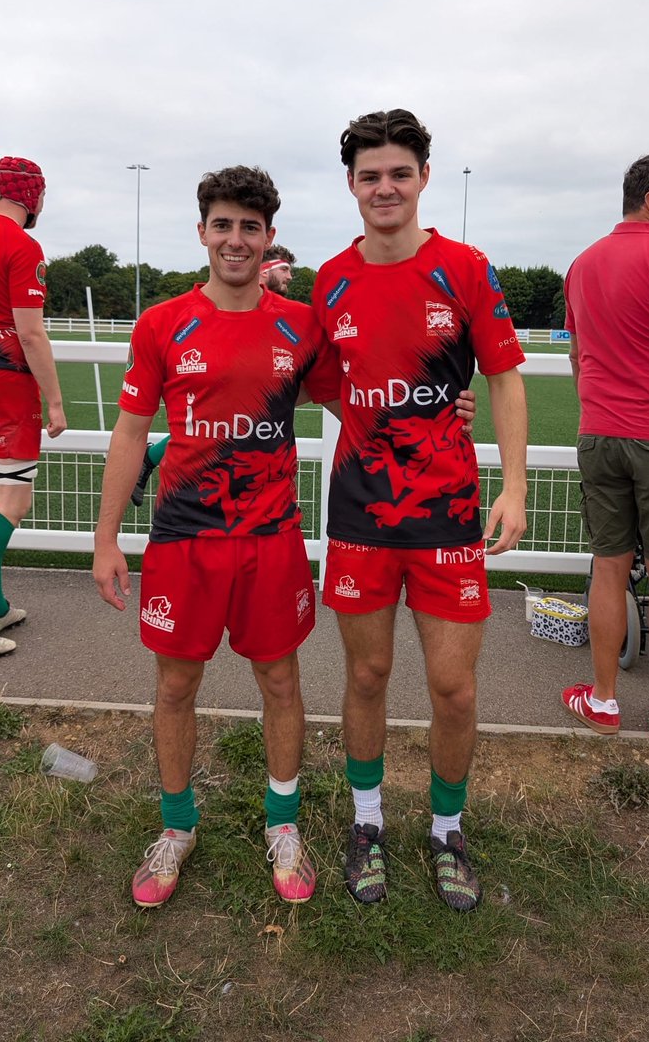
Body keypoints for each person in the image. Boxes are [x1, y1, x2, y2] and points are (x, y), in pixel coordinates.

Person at [93, 165, 342, 909]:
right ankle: (177, 827)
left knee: (281, 682)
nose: (235, 239)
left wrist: (444, 410)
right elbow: (131, 433)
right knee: (175, 684)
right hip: (183, 538)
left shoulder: (299, 324)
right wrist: (106, 539)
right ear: (202, 230)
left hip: (269, 537)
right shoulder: (164, 322)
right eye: (223, 224)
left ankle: (283, 822)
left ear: (269, 237)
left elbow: (355, 401)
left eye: (250, 226)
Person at [312, 109, 528, 912]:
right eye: (370, 175)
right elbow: (319, 378)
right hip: (361, 515)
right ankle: (366, 823)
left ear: (423, 179)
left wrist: (513, 483)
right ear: (351, 186)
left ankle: (445, 829)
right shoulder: (330, 278)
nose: (384, 187)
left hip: (447, 516)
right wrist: (389, 419)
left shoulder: (464, 267)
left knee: (453, 690)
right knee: (366, 675)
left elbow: (504, 376)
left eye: (398, 172)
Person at [561, 153, 649, 740]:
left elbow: (577, 357)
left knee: (608, 566)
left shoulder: (581, 262)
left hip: (599, 432)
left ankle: (602, 702)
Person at [129, 246, 297, 507]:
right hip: (213, 408)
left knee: (226, 418)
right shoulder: (228, 309)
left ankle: (149, 458)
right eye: (284, 269)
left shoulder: (290, 317)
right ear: (264, 272)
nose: (290, 277)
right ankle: (149, 458)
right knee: (209, 422)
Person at [0, 157, 66, 659]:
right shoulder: (22, 245)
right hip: (5, 384)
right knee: (13, 499)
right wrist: (55, 401)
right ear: (33, 196)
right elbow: (31, 333)